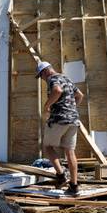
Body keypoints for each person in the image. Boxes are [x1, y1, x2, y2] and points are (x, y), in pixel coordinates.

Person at [35, 61, 84, 195]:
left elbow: (57, 90)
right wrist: (71, 109)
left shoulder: (53, 78)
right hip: (73, 120)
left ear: (45, 71)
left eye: (41, 76)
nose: (43, 79)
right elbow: (80, 95)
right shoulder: (66, 78)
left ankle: (61, 176)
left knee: (47, 146)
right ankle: (73, 186)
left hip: (59, 119)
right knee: (70, 152)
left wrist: (46, 106)